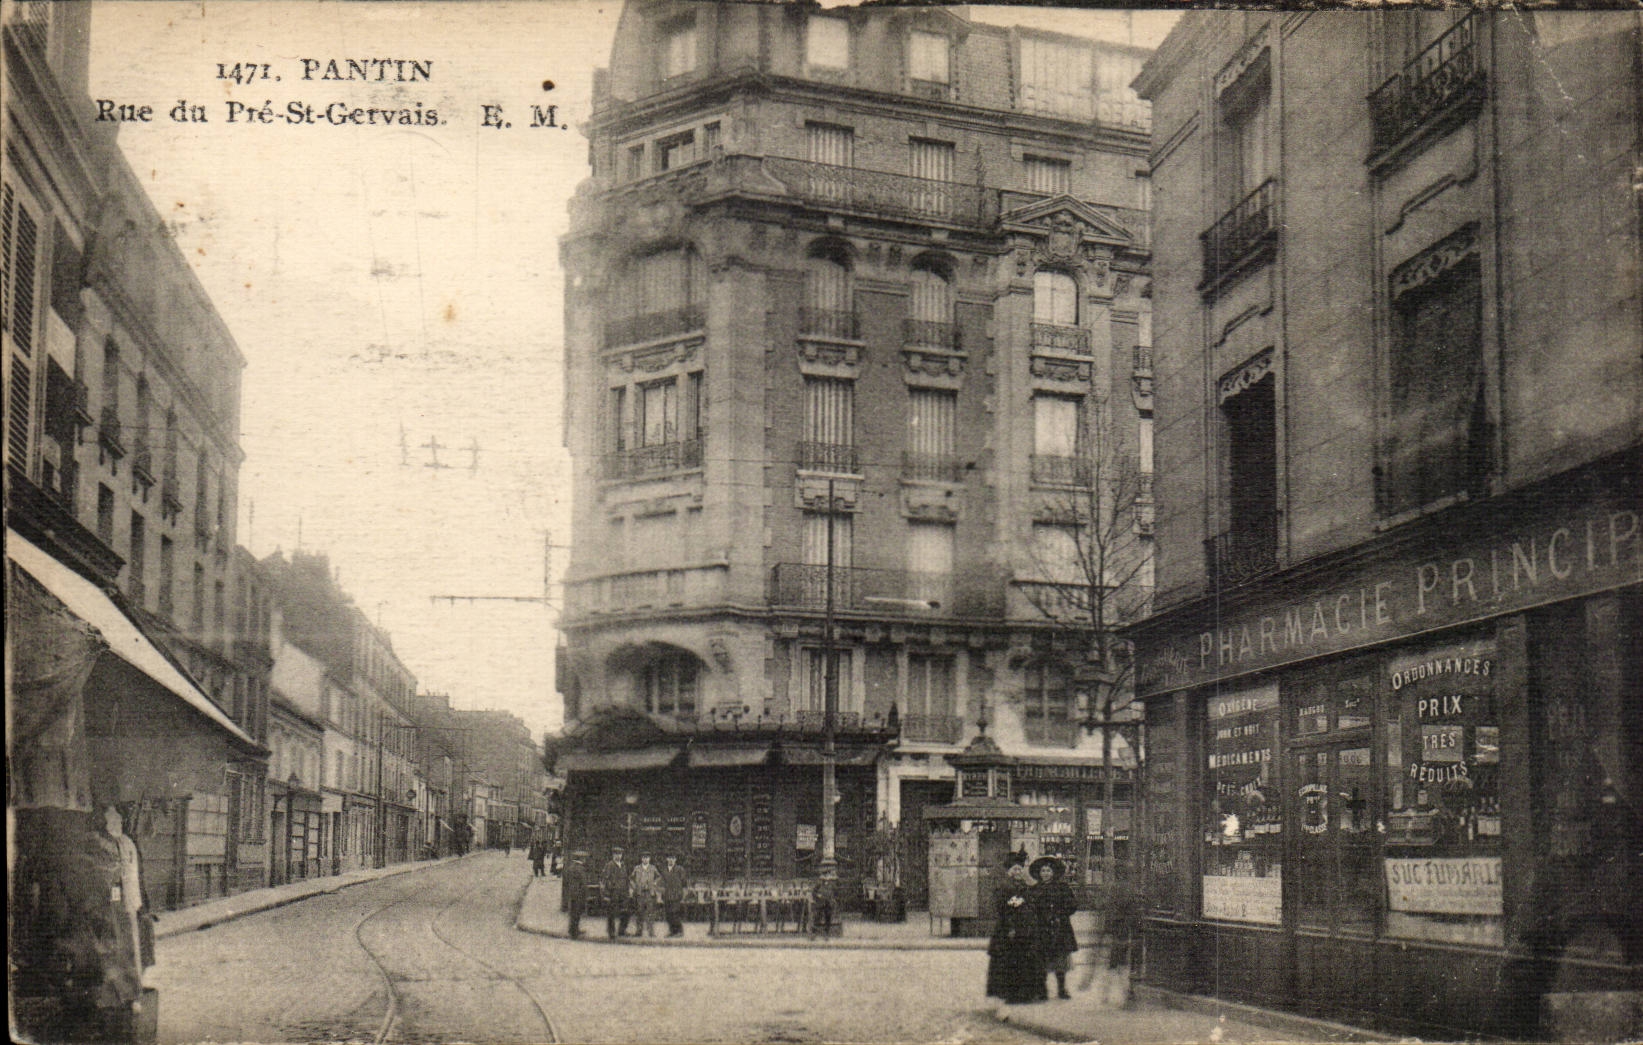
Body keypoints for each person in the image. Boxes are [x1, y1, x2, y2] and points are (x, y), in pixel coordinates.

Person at [986, 850, 1047, 1005]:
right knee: (1011, 961)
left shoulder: (1023, 885)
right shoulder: (1004, 887)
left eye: (1020, 869)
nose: (1018, 872)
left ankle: (1025, 993)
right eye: (1015, 869)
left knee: (1024, 960)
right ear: (1009, 871)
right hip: (1009, 929)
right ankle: (1011, 993)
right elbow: (1002, 909)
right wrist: (1011, 927)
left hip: (1024, 929)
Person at [1030, 856, 1079, 1000]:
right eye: (1043, 871)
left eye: (1048, 870)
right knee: (1041, 960)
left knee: (1060, 960)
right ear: (1039, 873)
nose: (1045, 873)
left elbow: (1073, 905)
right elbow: (1030, 908)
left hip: (1060, 928)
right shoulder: (1034, 890)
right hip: (1041, 929)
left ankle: (1061, 989)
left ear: (1053, 872)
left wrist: (1060, 914)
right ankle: (1042, 990)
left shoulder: (1062, 888)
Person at [600, 847, 631, 940]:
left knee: (626, 911)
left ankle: (622, 930)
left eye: (620, 854)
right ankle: (611, 932)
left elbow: (626, 879)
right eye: (616, 854)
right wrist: (606, 894)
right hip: (613, 893)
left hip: (623, 893)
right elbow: (605, 880)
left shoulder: (623, 865)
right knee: (611, 913)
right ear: (613, 855)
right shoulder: (609, 865)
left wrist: (628, 890)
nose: (618, 856)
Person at [630, 853, 662, 938]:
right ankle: (639, 931)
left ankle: (651, 932)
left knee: (650, 912)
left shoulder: (653, 868)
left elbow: (659, 877)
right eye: (644, 858)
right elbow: (631, 878)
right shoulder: (637, 868)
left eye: (647, 858)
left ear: (649, 859)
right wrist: (634, 886)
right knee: (639, 912)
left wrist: (655, 883)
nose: (645, 859)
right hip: (640, 893)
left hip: (649, 893)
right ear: (641, 859)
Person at [660, 854, 688, 937]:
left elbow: (684, 883)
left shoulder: (680, 869)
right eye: (669, 858)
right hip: (667, 895)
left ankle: (679, 931)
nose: (671, 860)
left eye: (673, 858)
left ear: (675, 859)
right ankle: (672, 931)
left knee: (675, 913)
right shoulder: (664, 870)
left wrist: (683, 894)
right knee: (668, 914)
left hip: (676, 895)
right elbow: (662, 882)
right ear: (667, 859)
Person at [563, 850, 589, 940]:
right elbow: (583, 882)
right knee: (577, 913)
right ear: (581, 859)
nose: (585, 860)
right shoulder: (580, 869)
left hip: (572, 894)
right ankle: (575, 932)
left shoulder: (570, 868)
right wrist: (585, 894)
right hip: (579, 894)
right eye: (584, 858)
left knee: (573, 913)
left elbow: (566, 881)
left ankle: (572, 929)